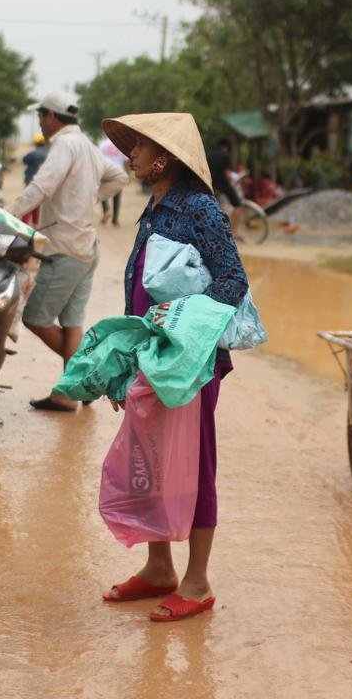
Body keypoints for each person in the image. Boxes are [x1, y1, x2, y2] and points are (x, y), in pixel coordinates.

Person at [98, 112, 249, 622]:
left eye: (138, 147)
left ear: (163, 156)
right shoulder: (156, 205)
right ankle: (159, 568)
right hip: (151, 357)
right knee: (151, 460)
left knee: (196, 463)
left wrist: (179, 329)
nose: (130, 155)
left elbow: (231, 281)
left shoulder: (200, 209)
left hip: (189, 361)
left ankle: (198, 581)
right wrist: (128, 357)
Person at [7, 92, 129, 411]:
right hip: (87, 247)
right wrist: (89, 199)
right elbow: (119, 177)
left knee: (34, 316)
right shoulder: (87, 145)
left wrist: (7, 215)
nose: (40, 123)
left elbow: (43, 187)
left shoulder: (64, 144)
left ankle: (84, 379)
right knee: (72, 321)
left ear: (50, 116)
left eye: (40, 117)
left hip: (65, 249)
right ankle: (70, 391)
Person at [207, 137, 242, 240]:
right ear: (226, 147)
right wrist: (236, 176)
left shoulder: (208, 154)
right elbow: (227, 174)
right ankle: (234, 232)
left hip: (210, 185)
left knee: (210, 207)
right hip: (222, 185)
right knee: (237, 205)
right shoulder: (224, 155)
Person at [97, 137, 128, 226]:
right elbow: (126, 161)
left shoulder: (103, 143)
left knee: (104, 193)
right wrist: (127, 175)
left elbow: (98, 159)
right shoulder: (121, 144)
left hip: (106, 171)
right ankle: (115, 220)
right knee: (117, 197)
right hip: (119, 172)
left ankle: (106, 210)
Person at [20, 133, 48, 227]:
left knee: (28, 204)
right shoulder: (49, 154)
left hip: (31, 182)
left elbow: (24, 160)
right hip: (43, 184)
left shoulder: (33, 154)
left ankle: (23, 225)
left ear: (35, 143)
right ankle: (36, 225)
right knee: (38, 204)